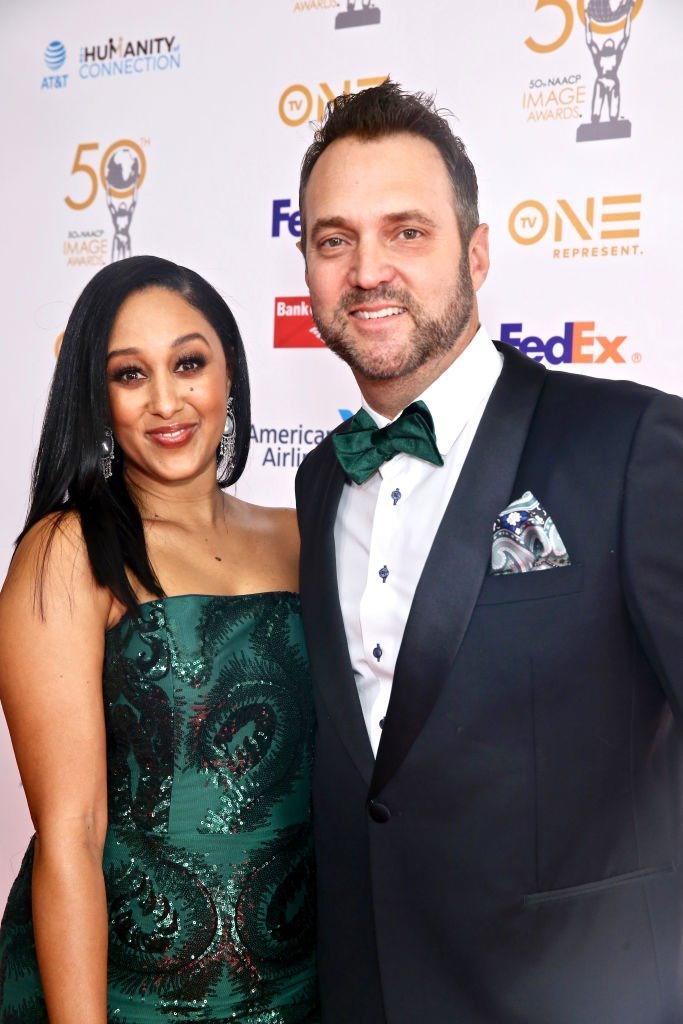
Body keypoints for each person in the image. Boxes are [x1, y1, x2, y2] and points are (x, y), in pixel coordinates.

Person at [294, 80, 683, 1023]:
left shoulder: (627, 446)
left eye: (406, 232)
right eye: (333, 239)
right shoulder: (316, 483)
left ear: (475, 251)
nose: (366, 269)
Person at [0, 256, 318, 1022]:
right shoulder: (67, 550)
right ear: (97, 398)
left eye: (188, 363)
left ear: (229, 374)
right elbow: (71, 835)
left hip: (299, 984)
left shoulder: (303, 534)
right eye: (130, 375)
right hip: (134, 991)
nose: (167, 401)